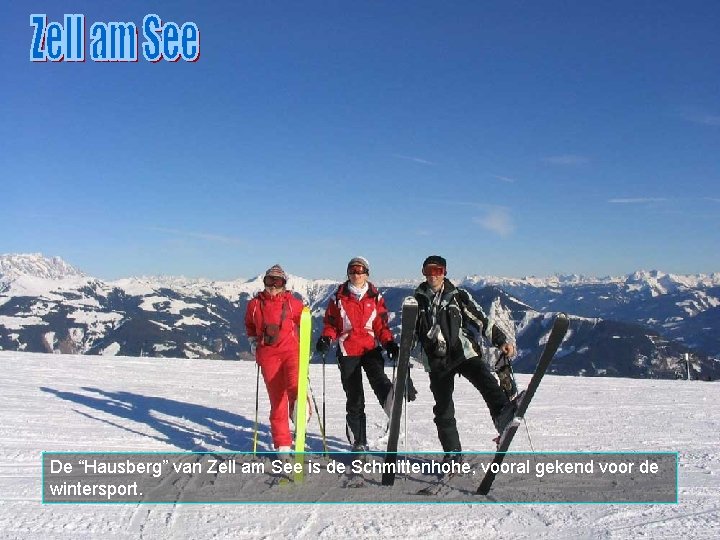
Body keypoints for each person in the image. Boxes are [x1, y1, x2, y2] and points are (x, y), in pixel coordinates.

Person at [414, 255, 519, 458]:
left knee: (485, 380)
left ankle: (503, 416)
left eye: (437, 271)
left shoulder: (458, 296)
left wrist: (500, 341)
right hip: (436, 361)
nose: (433, 275)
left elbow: (481, 319)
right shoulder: (416, 301)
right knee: (444, 409)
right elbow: (410, 332)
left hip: (463, 352)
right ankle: (452, 455)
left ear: (444, 272)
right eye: (428, 271)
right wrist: (402, 362)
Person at [315, 256, 401, 452]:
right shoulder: (338, 298)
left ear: (367, 273)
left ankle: (390, 400)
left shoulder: (375, 297)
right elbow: (331, 324)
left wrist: (388, 343)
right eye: (352, 270)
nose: (356, 274)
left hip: (370, 347)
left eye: (360, 270)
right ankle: (359, 442)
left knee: (378, 376)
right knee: (355, 397)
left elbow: (381, 325)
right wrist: (326, 338)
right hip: (348, 350)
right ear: (348, 273)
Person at [244, 264, 305, 454]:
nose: (272, 285)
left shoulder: (292, 303)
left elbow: (304, 320)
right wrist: (253, 341)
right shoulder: (254, 304)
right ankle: (283, 445)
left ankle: (301, 411)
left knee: (296, 386)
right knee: (277, 400)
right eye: (269, 280)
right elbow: (250, 324)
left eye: (277, 281)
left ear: (284, 284)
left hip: (290, 352)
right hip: (268, 356)